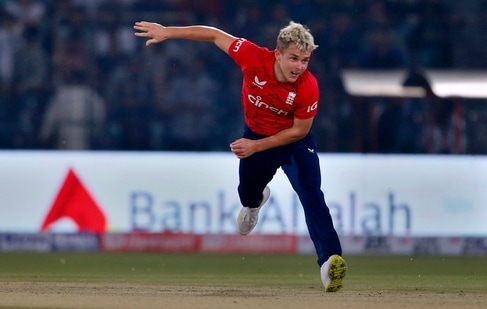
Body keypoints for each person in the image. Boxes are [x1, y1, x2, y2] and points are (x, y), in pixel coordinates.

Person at [134, 19, 347, 292]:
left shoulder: (308, 86)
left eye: (305, 60)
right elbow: (213, 35)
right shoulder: (252, 56)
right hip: (256, 135)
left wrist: (256, 147)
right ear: (278, 53)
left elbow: (298, 131)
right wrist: (168, 32)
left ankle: (330, 260)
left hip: (293, 142)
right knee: (247, 195)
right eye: (293, 58)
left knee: (311, 193)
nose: (299, 67)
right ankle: (255, 203)